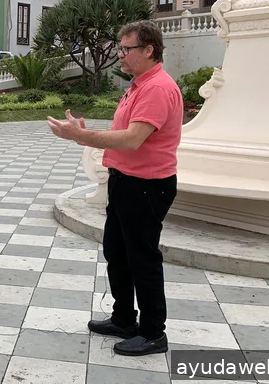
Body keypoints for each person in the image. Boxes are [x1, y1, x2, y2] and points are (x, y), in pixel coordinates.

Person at [47, 20, 183, 356]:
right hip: (126, 181)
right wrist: (86, 132)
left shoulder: (156, 89)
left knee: (143, 259)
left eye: (126, 49)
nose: (119, 55)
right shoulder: (139, 85)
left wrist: (80, 136)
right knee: (118, 254)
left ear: (148, 50)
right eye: (119, 48)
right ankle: (124, 318)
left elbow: (133, 139)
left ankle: (153, 333)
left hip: (148, 186)